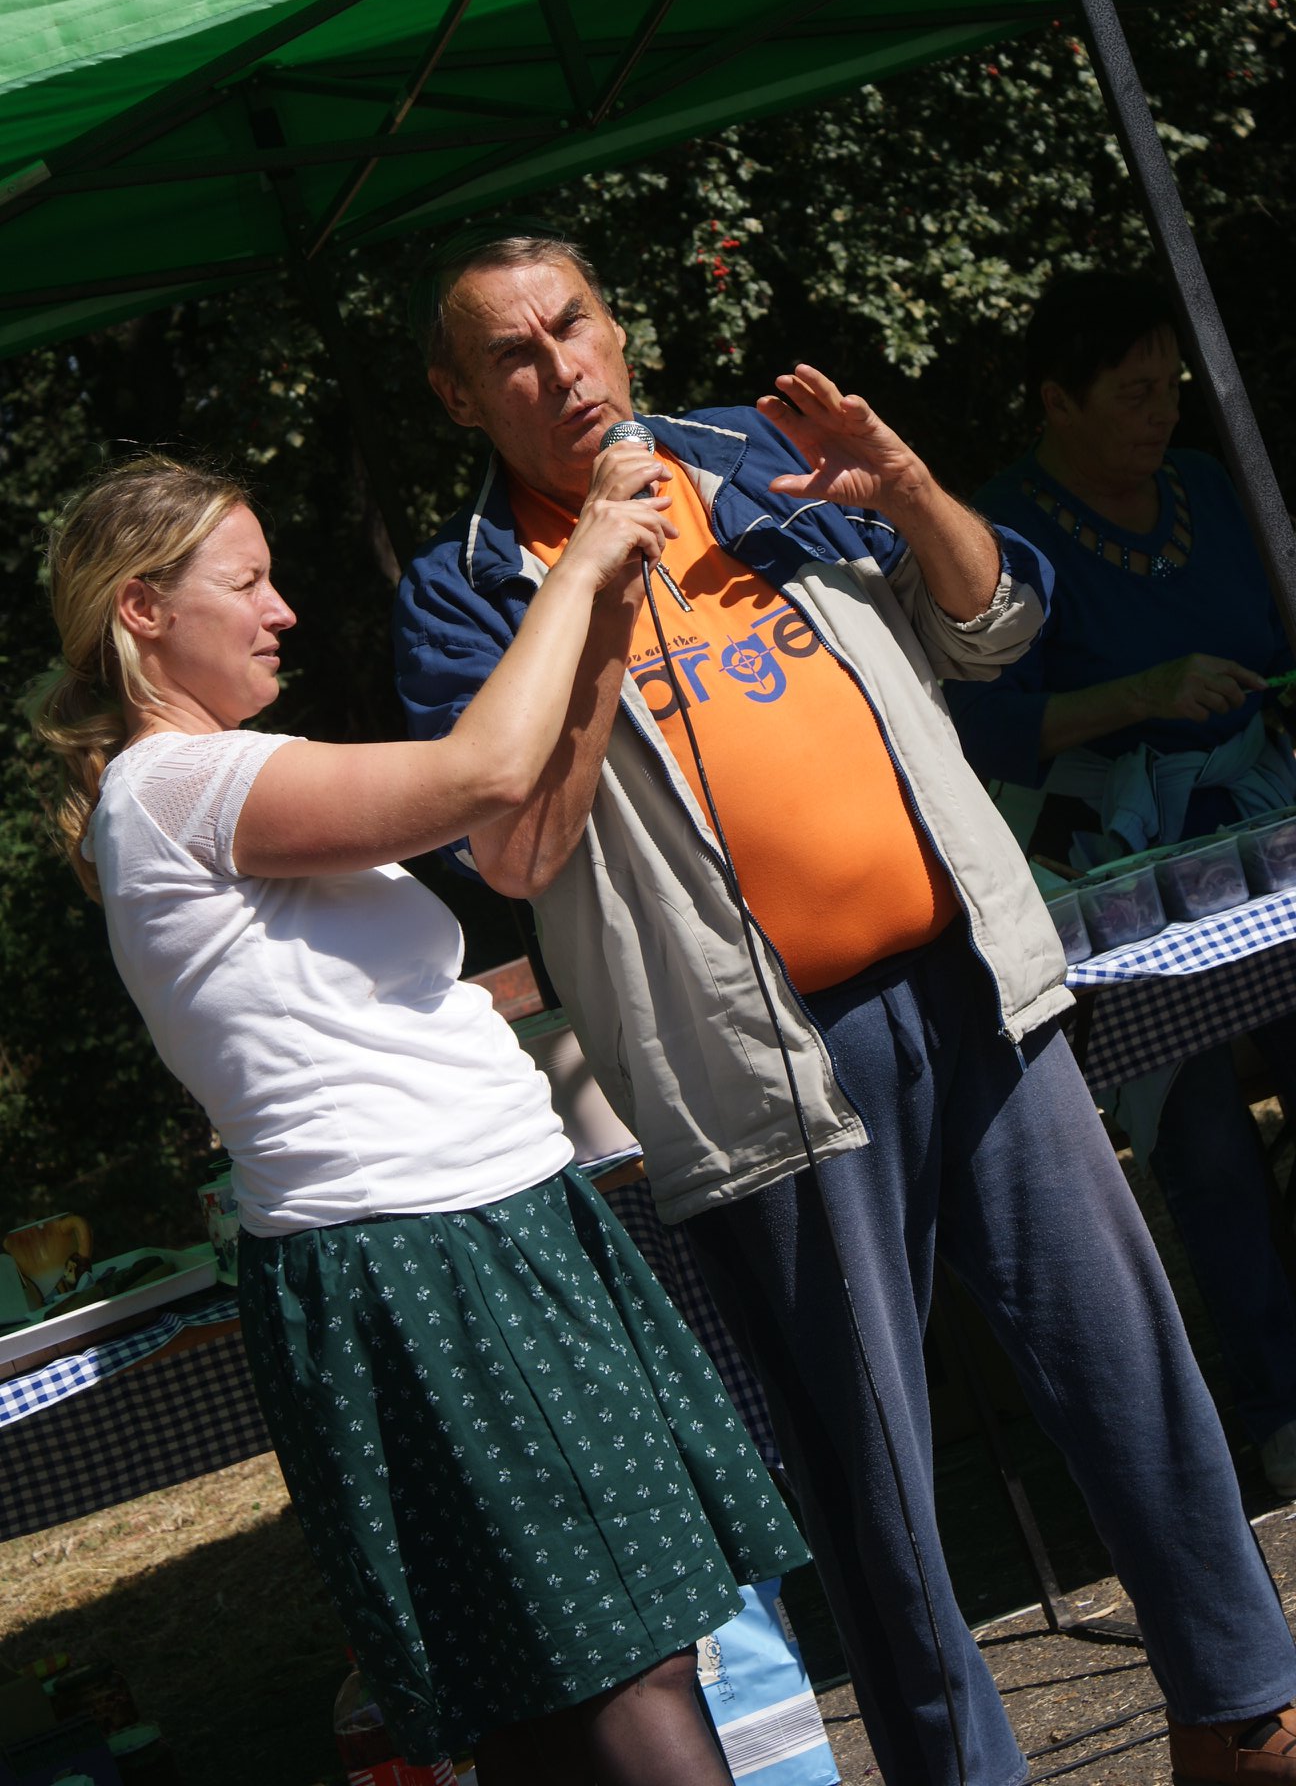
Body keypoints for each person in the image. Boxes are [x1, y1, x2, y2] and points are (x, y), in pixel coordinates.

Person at [392, 222, 1296, 1786]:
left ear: (617, 324)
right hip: (760, 1071)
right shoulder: (467, 591)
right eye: (513, 357)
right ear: (459, 397)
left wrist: (913, 488)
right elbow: (515, 844)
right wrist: (594, 577)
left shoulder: (756, 459)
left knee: (1128, 1366)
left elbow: (998, 629)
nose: (562, 369)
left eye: (574, 325)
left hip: (973, 987)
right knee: (876, 1481)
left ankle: (1243, 1710)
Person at [28, 453, 808, 1786]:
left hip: (454, 1232)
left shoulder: (188, 793)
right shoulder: (183, 785)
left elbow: (516, 846)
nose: (281, 611)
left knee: (552, 1683)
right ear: (141, 610)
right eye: (247, 582)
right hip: (428, 1250)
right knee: (621, 1665)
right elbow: (483, 773)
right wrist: (571, 568)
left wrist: (603, 618)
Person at [944, 271, 1296, 1497]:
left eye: (1169, 387)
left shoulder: (1205, 484)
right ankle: (1280, 1406)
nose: (1161, 412)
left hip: (1265, 832)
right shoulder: (1000, 534)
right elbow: (982, 728)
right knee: (1202, 1143)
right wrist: (1141, 694)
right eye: (1133, 393)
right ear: (1058, 400)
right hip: (1120, 874)